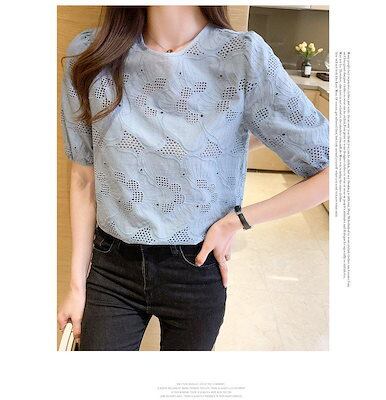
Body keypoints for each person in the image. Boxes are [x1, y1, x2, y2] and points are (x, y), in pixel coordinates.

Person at [57, 5, 329, 351]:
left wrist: (238, 220)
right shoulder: (91, 55)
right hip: (112, 267)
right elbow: (84, 176)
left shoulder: (242, 58)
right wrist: (76, 286)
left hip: (196, 269)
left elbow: (333, 168)